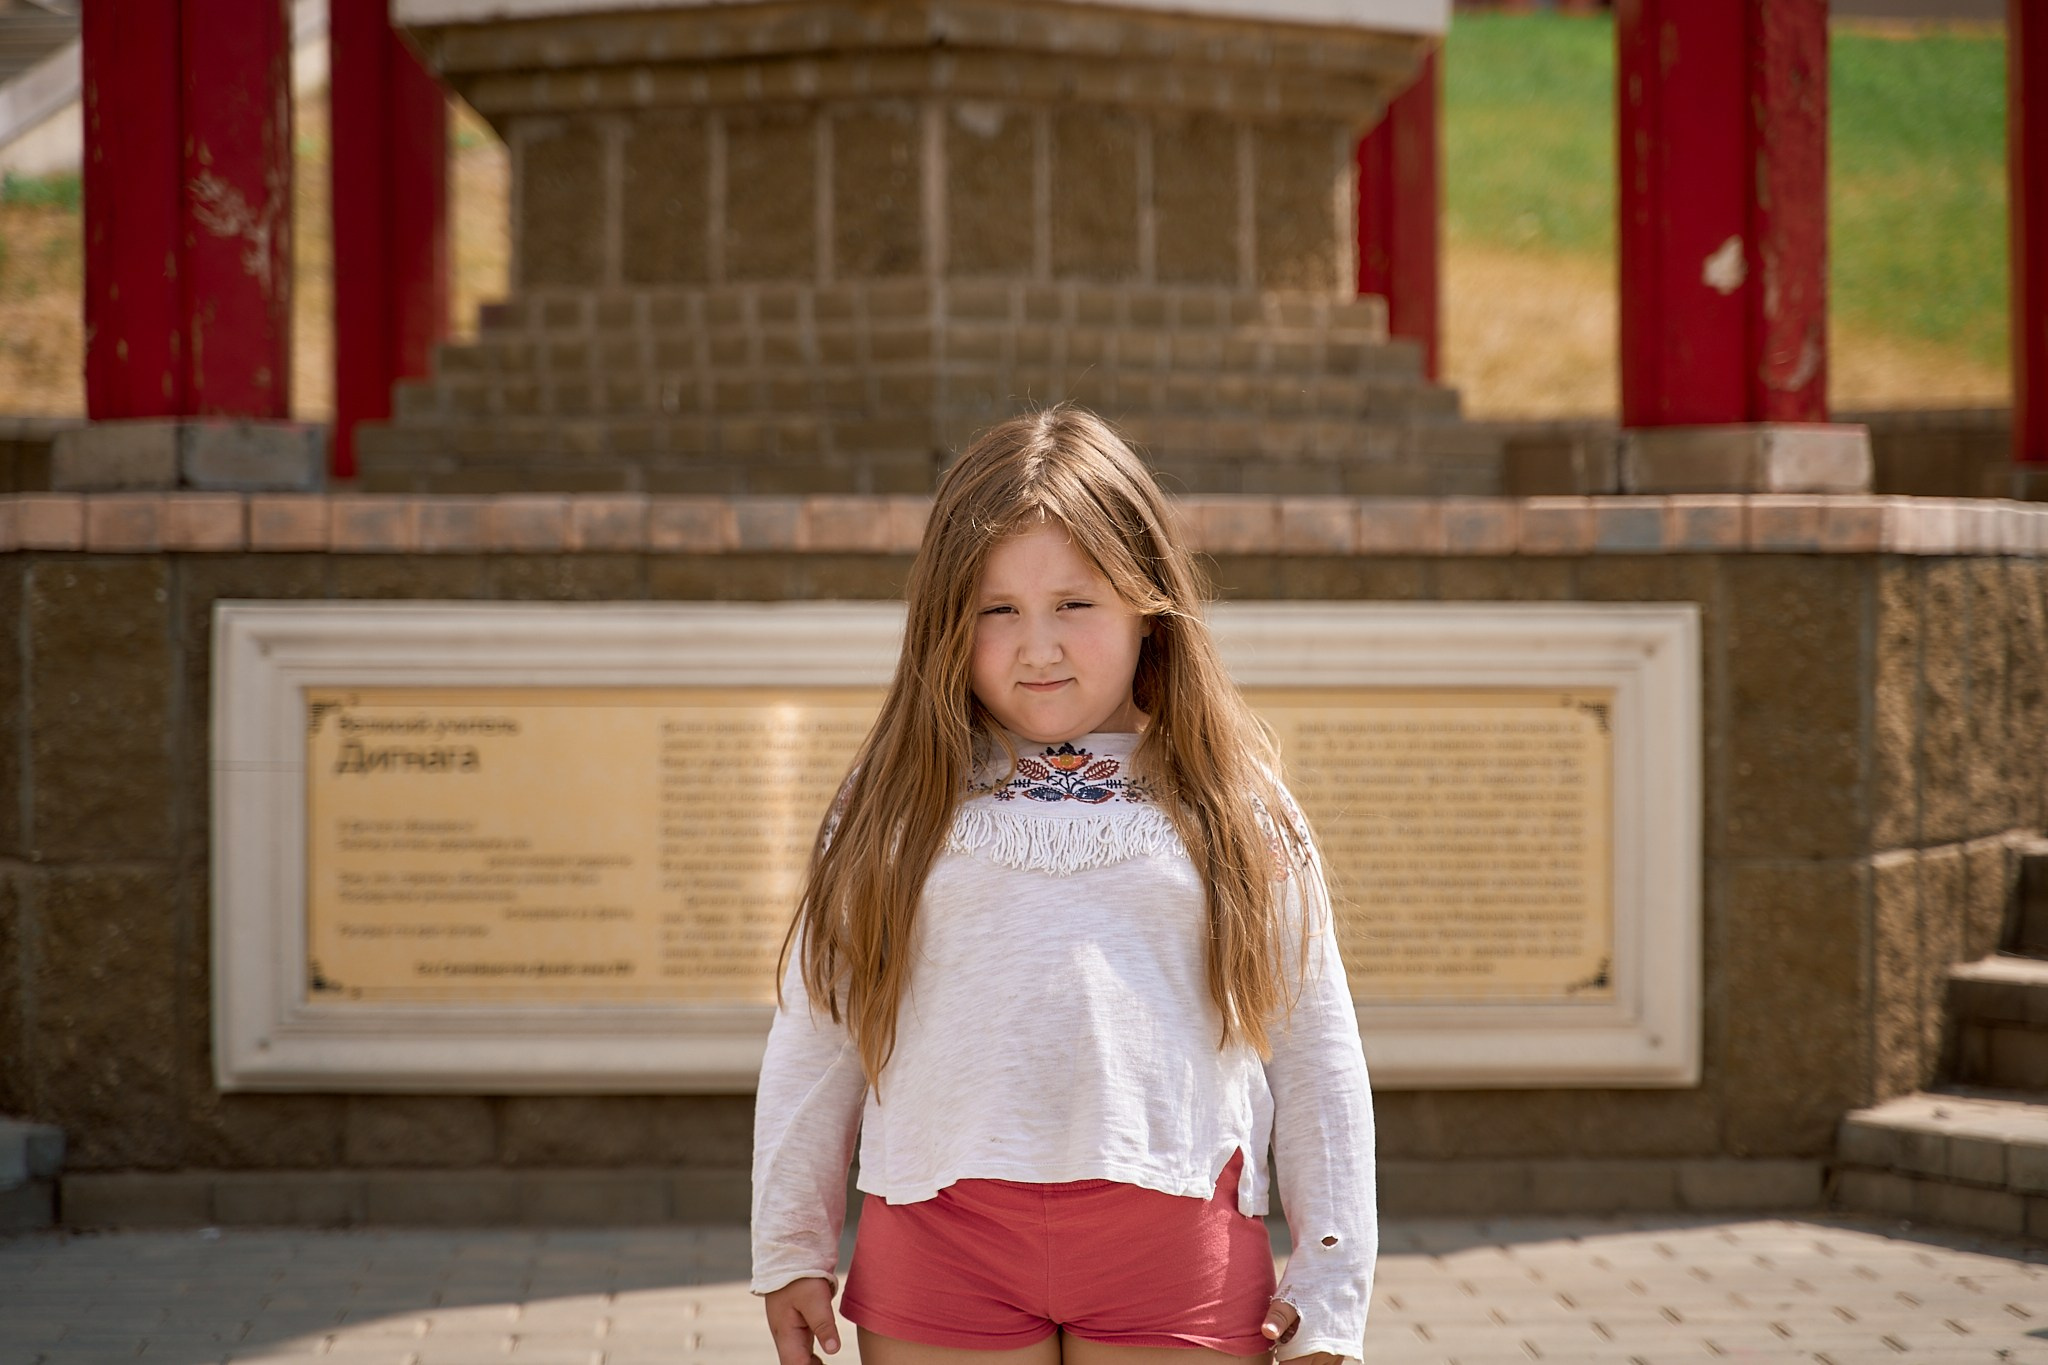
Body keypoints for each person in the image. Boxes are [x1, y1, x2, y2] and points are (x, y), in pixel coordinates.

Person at [750, 406, 1377, 1365]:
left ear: (1149, 604)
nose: (1037, 647)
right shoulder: (892, 799)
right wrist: (790, 1242)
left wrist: (1333, 1270)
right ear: (945, 623)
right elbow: (822, 1022)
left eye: (1076, 605)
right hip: (937, 1235)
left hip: (1175, 1238)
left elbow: (1313, 1041)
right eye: (997, 611)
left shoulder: (1235, 799)